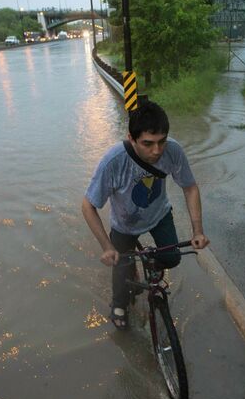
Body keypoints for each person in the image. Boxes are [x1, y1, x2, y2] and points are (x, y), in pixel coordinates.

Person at [82, 100, 209, 330]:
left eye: (161, 142)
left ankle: (151, 263)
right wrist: (107, 246)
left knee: (172, 258)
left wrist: (197, 230)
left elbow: (190, 187)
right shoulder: (113, 162)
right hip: (123, 225)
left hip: (159, 215)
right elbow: (88, 206)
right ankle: (119, 304)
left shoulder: (173, 151)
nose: (156, 151)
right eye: (147, 143)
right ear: (131, 138)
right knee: (120, 269)